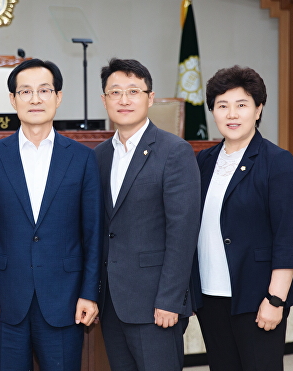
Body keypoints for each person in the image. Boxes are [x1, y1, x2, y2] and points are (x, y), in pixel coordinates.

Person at [0, 58, 103, 371]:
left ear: (58, 97)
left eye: (44, 91)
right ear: (12, 99)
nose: (35, 99)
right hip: (4, 300)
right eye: (25, 91)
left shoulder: (83, 157)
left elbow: (93, 233)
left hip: (66, 300)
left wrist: (89, 293)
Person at [191, 66, 293, 371]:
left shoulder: (277, 162)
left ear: (258, 109)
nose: (232, 114)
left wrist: (276, 300)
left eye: (242, 105)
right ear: (212, 110)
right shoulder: (204, 160)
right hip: (211, 296)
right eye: (222, 105)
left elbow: (287, 239)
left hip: (257, 297)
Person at [94, 58, 201, 371]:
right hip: (111, 303)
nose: (124, 100)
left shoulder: (174, 151)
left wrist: (170, 300)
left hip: (156, 304)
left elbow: (183, 232)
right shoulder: (99, 156)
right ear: (104, 100)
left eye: (133, 91)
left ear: (150, 98)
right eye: (115, 93)